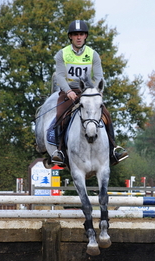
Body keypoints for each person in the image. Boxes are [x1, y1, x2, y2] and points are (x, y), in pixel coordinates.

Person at [51, 20, 128, 165]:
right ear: (70, 37)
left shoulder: (93, 54)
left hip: (89, 92)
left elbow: (99, 76)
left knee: (106, 114)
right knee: (60, 115)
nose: (78, 37)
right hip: (69, 91)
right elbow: (60, 76)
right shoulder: (62, 54)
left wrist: (98, 91)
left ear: (85, 36)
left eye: (81, 34)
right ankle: (59, 151)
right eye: (75, 35)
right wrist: (68, 91)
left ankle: (113, 150)